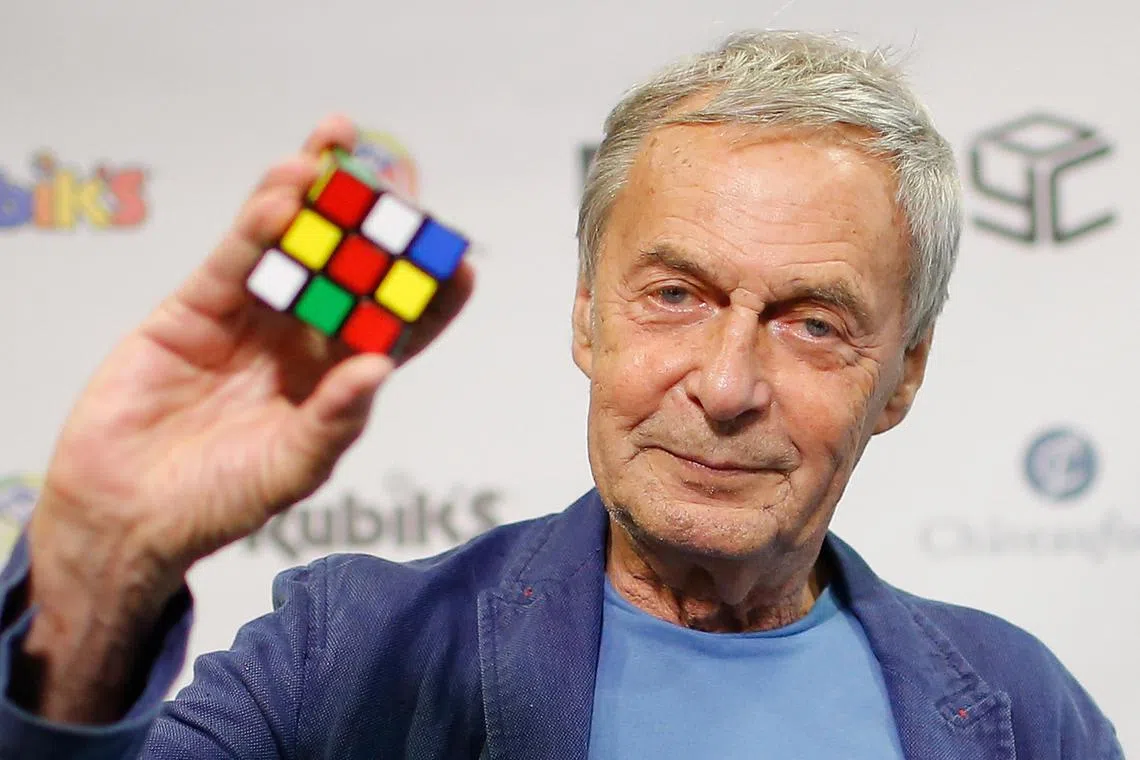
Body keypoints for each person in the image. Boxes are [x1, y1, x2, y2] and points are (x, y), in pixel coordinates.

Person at [0, 30, 1124, 760]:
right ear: (586, 313)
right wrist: (103, 579)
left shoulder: (1023, 709)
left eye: (813, 323)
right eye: (676, 294)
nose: (727, 385)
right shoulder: (347, 655)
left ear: (904, 376)